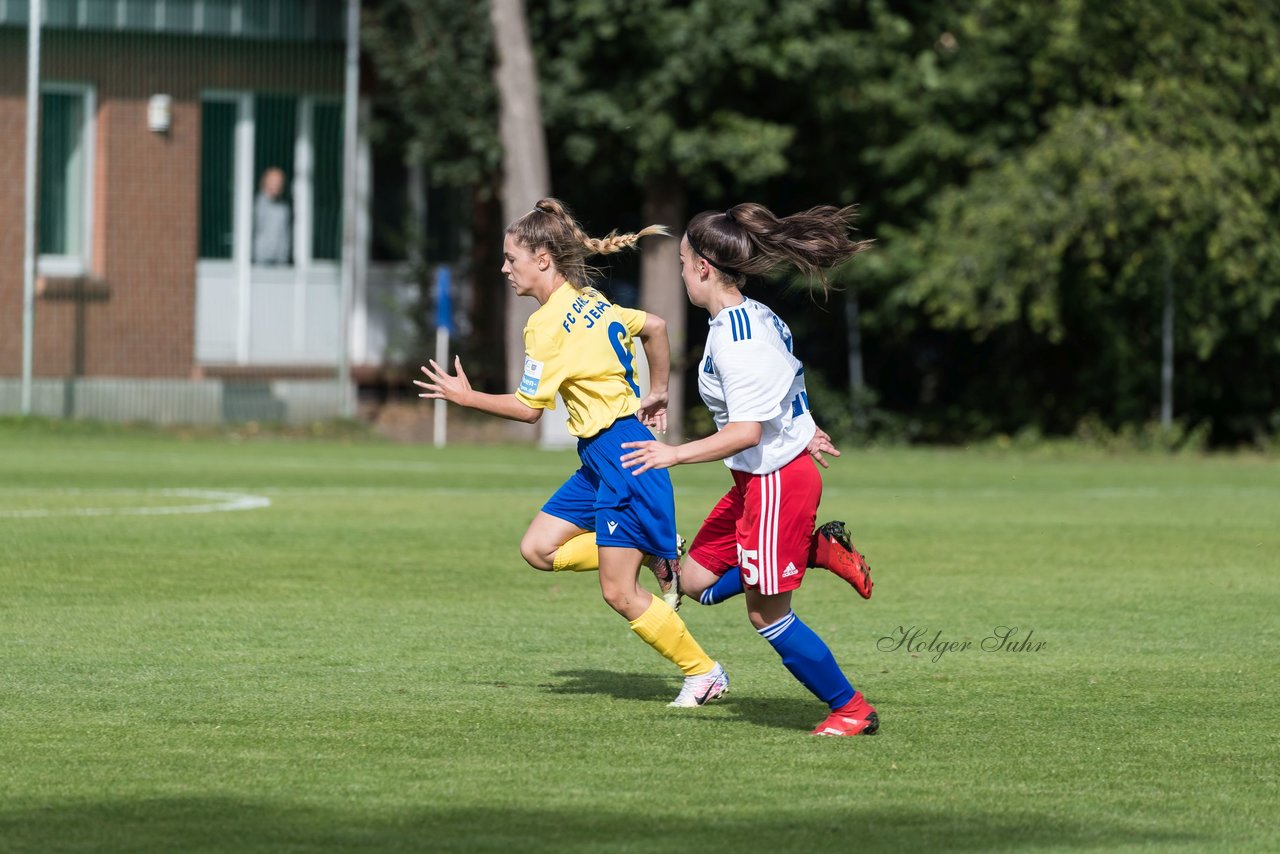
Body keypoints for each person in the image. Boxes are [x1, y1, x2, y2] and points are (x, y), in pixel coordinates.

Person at [415, 198, 729, 708]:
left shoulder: (545, 326)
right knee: (537, 548)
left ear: (542, 258)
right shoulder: (592, 299)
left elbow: (528, 410)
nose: (503, 268)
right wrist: (660, 389)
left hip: (625, 458)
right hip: (602, 456)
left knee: (619, 593)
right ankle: (653, 550)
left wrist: (465, 397)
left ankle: (704, 672)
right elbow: (656, 326)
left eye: (510, 258)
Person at [620, 203, 879, 736]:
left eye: (683, 262)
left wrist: (673, 453)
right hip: (757, 478)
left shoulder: (740, 337)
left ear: (703, 269)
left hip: (777, 480)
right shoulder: (747, 317)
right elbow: (791, 381)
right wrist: (805, 425)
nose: (683, 273)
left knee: (767, 615)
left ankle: (851, 708)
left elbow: (746, 432)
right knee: (694, 582)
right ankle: (814, 549)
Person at [253, 167, 291, 265]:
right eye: (274, 181)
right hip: (258, 263)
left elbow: (284, 236)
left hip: (279, 263)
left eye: (280, 181)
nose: (278, 184)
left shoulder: (283, 208)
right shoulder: (255, 205)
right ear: (264, 181)